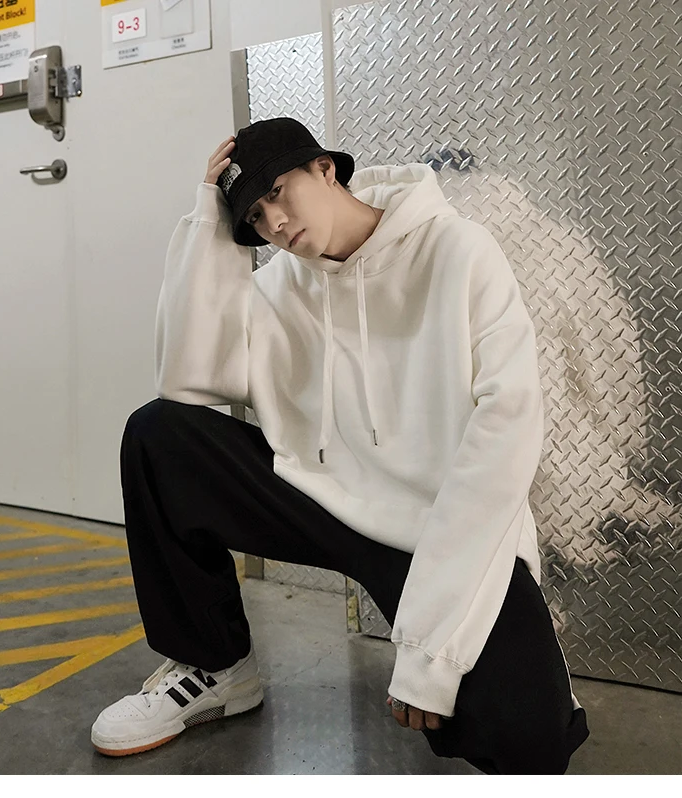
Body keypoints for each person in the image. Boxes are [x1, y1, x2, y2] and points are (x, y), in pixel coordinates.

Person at [90, 117, 590, 774]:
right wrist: (209, 219)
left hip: (433, 527)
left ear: (325, 168)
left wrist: (433, 651)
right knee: (159, 433)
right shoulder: (280, 286)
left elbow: (505, 438)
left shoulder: (459, 251)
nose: (274, 223)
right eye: (255, 216)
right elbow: (186, 379)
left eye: (277, 192)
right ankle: (214, 667)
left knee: (531, 745)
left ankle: (523, 660)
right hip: (320, 501)